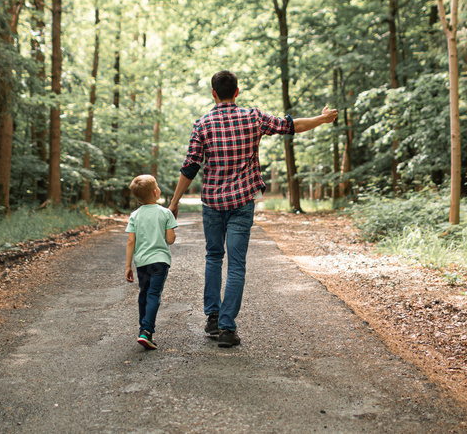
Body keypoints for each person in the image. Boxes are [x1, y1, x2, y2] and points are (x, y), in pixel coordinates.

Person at [168, 70, 337, 348]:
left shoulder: (203, 124)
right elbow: (290, 125)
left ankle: (212, 317)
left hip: (212, 202)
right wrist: (321, 118)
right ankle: (226, 328)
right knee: (236, 265)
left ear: (213, 93)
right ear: (237, 92)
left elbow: (190, 166)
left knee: (213, 256)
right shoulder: (253, 117)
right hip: (241, 203)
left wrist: (174, 202)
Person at [125, 174, 178, 350]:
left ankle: (143, 330)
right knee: (154, 294)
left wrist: (128, 266)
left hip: (141, 263)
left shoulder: (134, 215)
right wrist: (170, 228)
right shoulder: (165, 213)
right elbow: (170, 240)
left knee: (143, 294)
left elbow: (131, 242)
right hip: (160, 261)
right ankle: (146, 331)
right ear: (156, 192)